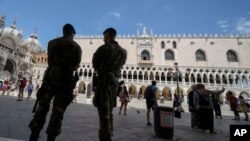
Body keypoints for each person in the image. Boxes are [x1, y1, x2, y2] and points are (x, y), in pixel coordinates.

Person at [28, 23, 82, 141]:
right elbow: (75, 66)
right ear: (71, 33)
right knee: (58, 111)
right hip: (65, 80)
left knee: (42, 106)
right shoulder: (76, 47)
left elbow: (50, 61)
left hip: (50, 77)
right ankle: (51, 137)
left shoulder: (52, 43)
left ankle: (34, 135)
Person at [92, 27, 127, 141]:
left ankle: (105, 137)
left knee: (103, 112)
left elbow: (95, 64)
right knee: (109, 111)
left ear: (107, 35)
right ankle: (110, 134)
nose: (103, 39)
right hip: (114, 83)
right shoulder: (123, 51)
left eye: (104, 36)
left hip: (104, 82)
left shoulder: (104, 48)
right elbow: (121, 64)